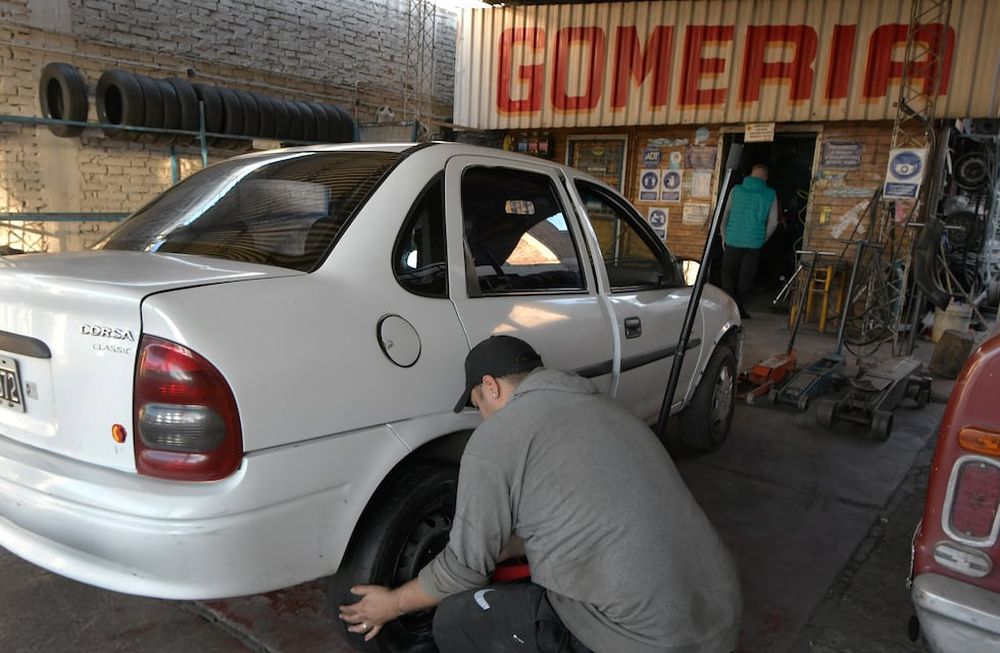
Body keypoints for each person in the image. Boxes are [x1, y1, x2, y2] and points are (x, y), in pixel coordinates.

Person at [339, 335, 742, 652]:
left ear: (490, 387)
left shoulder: (497, 437)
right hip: (720, 619)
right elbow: (585, 515)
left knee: (459, 619)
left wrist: (391, 604)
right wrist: (507, 545)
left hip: (642, 642)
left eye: (478, 404)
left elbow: (464, 570)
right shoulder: (607, 409)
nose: (482, 416)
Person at [720, 163, 779, 318]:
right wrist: (762, 239)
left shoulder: (736, 190)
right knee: (746, 275)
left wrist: (724, 235)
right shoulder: (770, 194)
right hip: (754, 242)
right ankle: (739, 307)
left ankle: (727, 307)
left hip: (733, 238)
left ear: (751, 174)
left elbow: (725, 214)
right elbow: (774, 222)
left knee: (728, 272)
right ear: (765, 177)